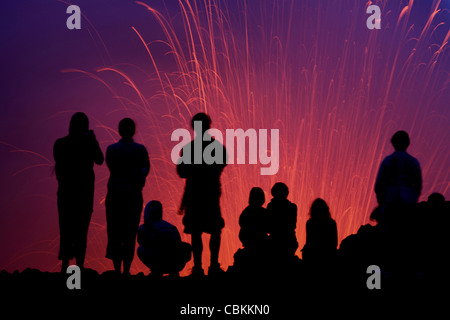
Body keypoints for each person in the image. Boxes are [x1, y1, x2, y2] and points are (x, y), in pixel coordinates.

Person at [176, 113, 227, 276]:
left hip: (194, 195)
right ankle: (213, 265)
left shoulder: (188, 149)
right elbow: (221, 165)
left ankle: (198, 267)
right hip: (210, 195)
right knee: (215, 230)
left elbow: (182, 171)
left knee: (196, 232)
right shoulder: (218, 148)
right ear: (209, 126)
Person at [53, 112, 104, 271]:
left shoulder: (60, 144)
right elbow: (100, 160)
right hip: (84, 193)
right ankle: (79, 267)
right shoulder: (88, 144)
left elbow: (59, 167)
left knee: (66, 228)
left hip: (66, 193)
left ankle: (65, 267)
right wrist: (93, 141)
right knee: (82, 229)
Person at [105, 118, 150, 275]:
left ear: (119, 130)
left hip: (115, 196)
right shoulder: (140, 150)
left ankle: (117, 270)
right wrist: (139, 180)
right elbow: (146, 168)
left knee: (115, 232)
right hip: (133, 195)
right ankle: (127, 270)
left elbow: (110, 166)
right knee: (130, 232)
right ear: (133, 131)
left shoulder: (111, 149)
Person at [137, 201, 191, 277]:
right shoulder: (171, 227)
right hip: (175, 263)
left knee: (140, 249)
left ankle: (156, 271)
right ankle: (173, 272)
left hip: (158, 261)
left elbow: (140, 241)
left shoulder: (144, 228)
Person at [374, 130, 422, 208]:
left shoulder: (388, 161)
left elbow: (379, 185)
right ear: (407, 143)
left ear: (393, 143)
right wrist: (413, 199)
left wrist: (381, 203)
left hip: (391, 200)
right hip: (408, 200)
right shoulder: (413, 162)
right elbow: (418, 185)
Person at [266, 182, 298, 257]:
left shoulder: (270, 206)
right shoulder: (292, 207)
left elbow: (268, 227)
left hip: (274, 241)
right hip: (289, 241)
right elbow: (293, 225)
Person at [301, 198, 338, 264]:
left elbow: (309, 241)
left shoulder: (310, 223)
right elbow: (334, 243)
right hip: (329, 255)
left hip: (313, 255)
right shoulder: (332, 223)